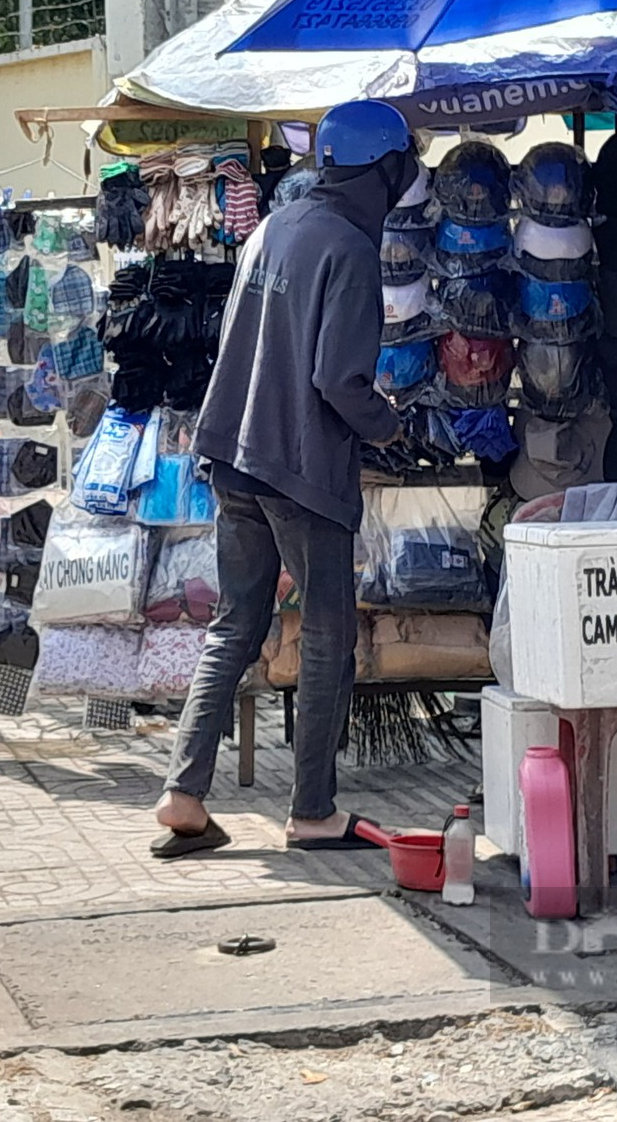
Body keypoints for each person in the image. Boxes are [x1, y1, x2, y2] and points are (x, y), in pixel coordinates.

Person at [151, 99, 420, 858]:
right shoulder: (350, 248)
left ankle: (182, 794)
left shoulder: (276, 226)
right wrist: (389, 424)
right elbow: (339, 380)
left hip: (232, 452)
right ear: (384, 170)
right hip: (299, 467)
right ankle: (312, 812)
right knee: (329, 633)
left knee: (236, 626)